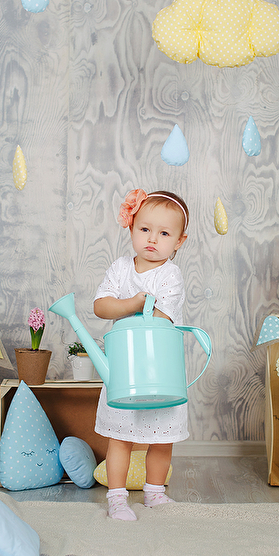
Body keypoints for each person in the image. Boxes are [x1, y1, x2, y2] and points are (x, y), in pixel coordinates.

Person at [94, 188, 189, 520]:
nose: (152, 239)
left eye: (164, 233)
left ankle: (154, 492)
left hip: (160, 369)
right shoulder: (121, 268)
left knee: (162, 438)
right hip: (125, 368)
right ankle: (117, 498)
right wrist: (133, 302)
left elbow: (160, 317)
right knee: (120, 437)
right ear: (132, 228)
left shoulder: (170, 275)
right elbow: (101, 306)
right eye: (145, 229)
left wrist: (133, 307)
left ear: (178, 241)